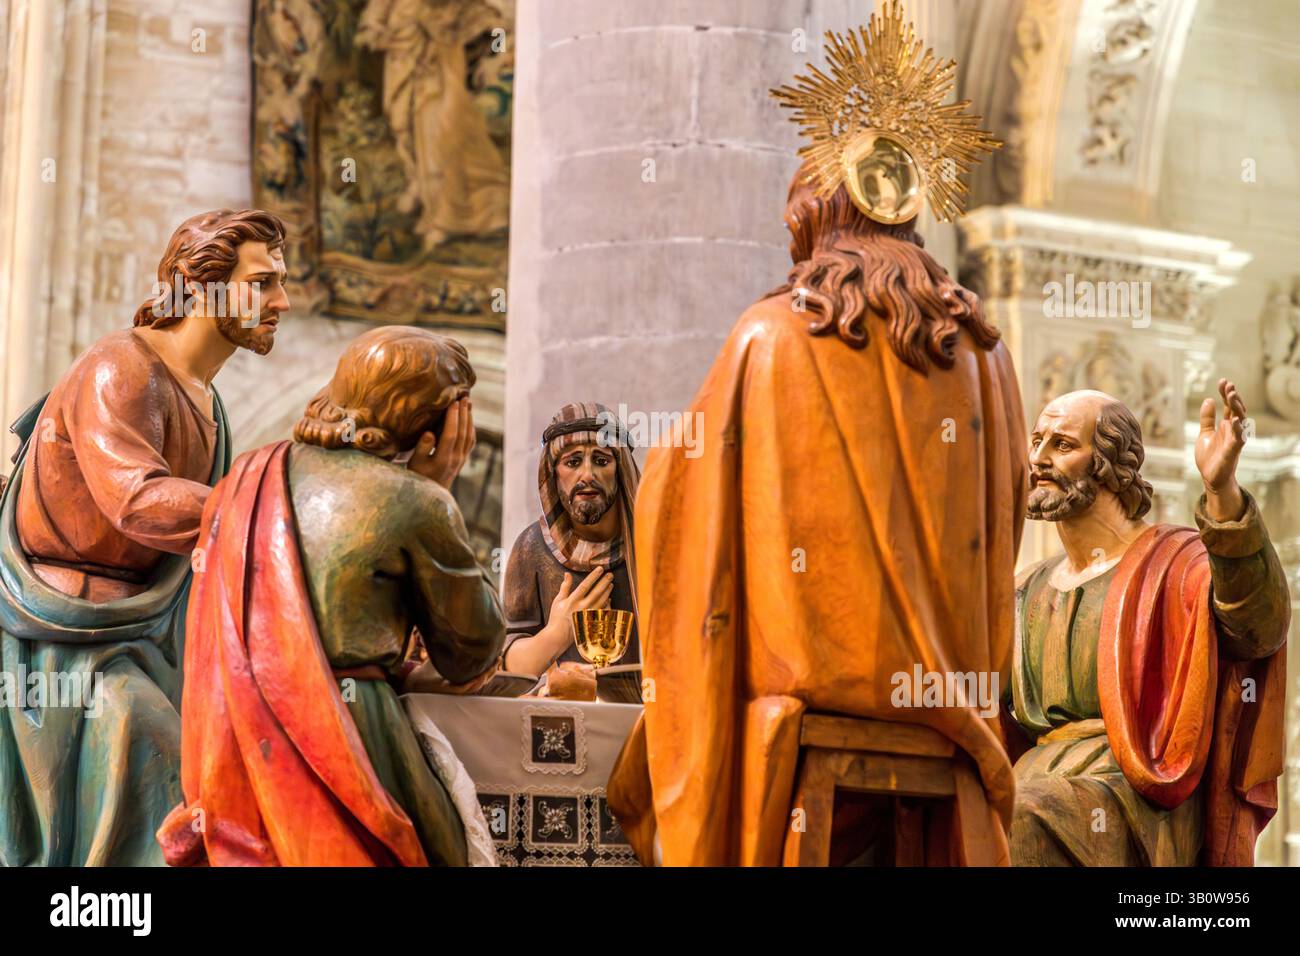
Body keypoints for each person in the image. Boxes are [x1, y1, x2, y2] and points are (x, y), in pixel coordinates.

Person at [0, 209, 288, 866]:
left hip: (147, 637)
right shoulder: (120, 369)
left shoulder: (207, 403)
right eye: (265, 283)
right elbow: (135, 501)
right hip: (62, 645)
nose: (283, 302)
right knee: (164, 756)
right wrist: (264, 502)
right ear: (207, 286)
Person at [157, 326, 503, 866]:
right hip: (352, 732)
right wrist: (439, 485)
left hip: (237, 738)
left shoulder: (244, 479)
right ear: (437, 428)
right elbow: (471, 653)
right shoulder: (416, 501)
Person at [1009, 384, 1288, 866]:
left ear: (1111, 465)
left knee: (1022, 815)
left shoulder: (1176, 564)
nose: (1038, 458)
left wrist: (1222, 493)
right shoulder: (1025, 589)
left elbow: (1258, 626)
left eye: (1062, 444)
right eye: (1036, 441)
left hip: (1138, 792)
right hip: (1031, 775)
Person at [502, 402, 641, 677]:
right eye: (572, 462)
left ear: (620, 469)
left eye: (601, 460)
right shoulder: (532, 547)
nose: (587, 475)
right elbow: (509, 664)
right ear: (553, 473)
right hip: (567, 714)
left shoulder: (654, 544)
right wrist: (556, 634)